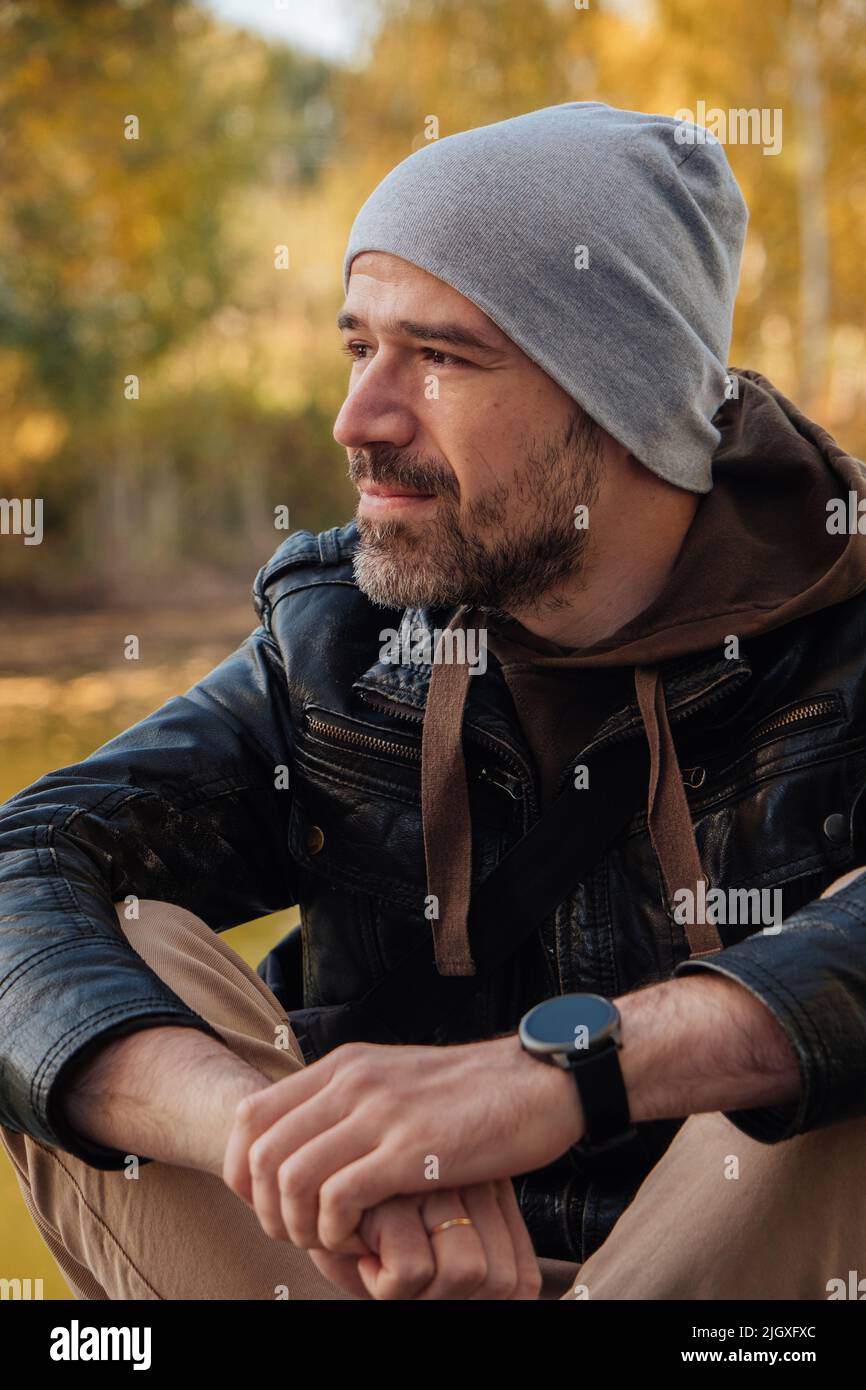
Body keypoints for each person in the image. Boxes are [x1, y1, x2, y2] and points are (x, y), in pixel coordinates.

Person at [4, 101, 866, 1303]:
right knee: (112, 942)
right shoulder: (340, 639)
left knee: (832, 1044)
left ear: (618, 396)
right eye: (359, 347)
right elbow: (23, 860)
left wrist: (555, 1079)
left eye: (442, 357)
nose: (359, 420)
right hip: (369, 1276)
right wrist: (275, 1133)